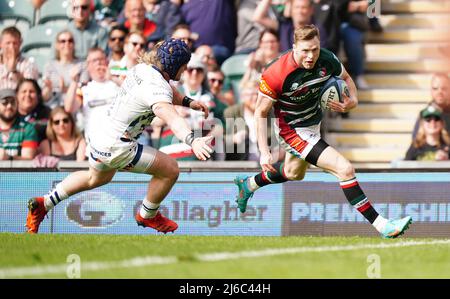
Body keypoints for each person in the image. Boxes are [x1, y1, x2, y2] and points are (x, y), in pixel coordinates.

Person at [233, 25, 412, 239]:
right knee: (344, 169)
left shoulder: (327, 59)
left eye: (315, 50)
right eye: (305, 51)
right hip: (292, 131)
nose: (310, 56)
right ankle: (383, 225)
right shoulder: (276, 73)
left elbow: (346, 78)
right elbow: (260, 112)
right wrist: (264, 152)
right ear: (293, 48)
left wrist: (352, 101)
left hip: (313, 124)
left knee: (293, 174)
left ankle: (249, 184)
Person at [25, 39, 214, 234]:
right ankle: (147, 215)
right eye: (183, 68)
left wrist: (188, 102)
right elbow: (172, 118)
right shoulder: (157, 88)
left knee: (94, 179)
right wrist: (193, 140)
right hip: (118, 146)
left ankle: (44, 203)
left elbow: (166, 90)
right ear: (176, 66)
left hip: (100, 137)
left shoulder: (143, 68)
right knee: (171, 170)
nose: (184, 72)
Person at [42, 30, 83, 109]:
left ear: (74, 44)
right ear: (57, 45)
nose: (67, 44)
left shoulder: (81, 65)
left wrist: (66, 90)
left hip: (75, 107)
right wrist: (48, 88)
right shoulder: (49, 66)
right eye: (63, 41)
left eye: (70, 41)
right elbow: (45, 97)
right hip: (53, 107)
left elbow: (84, 91)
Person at [0, 89, 38, 161]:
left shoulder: (28, 128)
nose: (9, 106)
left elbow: (28, 160)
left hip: (17, 172)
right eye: (4, 102)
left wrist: (8, 157)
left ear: (17, 104)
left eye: (13, 102)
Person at [412, 73, 450, 138]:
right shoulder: (425, 115)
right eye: (435, 88)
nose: (439, 92)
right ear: (431, 91)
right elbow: (416, 143)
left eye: (443, 88)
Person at [16, 79, 51, 143]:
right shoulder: (9, 115)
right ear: (17, 95)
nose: (27, 95)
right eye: (24, 91)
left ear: (38, 95)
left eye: (31, 91)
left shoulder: (47, 113)